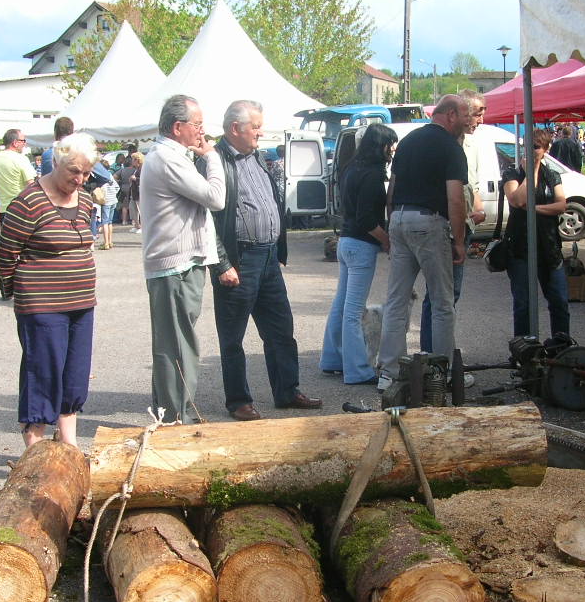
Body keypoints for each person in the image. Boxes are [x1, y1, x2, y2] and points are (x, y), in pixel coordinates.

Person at [203, 99, 321, 420]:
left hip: (267, 257)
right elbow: (206, 219)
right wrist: (222, 264)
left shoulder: (257, 158)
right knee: (233, 337)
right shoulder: (213, 161)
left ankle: (287, 391)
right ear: (234, 129)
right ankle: (238, 401)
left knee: (281, 329)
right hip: (238, 259)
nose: (260, 131)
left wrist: (279, 248)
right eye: (255, 126)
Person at [0, 132, 100, 447]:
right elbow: (4, 256)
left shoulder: (84, 201)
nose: (80, 179)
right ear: (55, 163)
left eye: (85, 173)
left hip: (81, 302)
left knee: (75, 372)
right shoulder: (29, 202)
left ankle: (69, 443)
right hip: (42, 304)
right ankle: (35, 443)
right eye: (74, 172)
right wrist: (29, 288)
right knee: (43, 372)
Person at [139, 94, 225, 424]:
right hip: (174, 266)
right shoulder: (167, 157)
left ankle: (170, 414)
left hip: (180, 263)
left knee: (173, 343)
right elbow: (216, 197)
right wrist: (212, 157)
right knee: (178, 346)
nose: (202, 133)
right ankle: (178, 419)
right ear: (178, 127)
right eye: (198, 125)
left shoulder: (170, 155)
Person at [376, 94, 470, 392]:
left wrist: (392, 225)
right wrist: (459, 241)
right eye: (465, 116)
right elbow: (455, 199)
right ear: (451, 115)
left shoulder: (409, 141)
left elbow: (393, 189)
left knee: (396, 301)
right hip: (429, 222)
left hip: (400, 219)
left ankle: (388, 373)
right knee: (442, 303)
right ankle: (441, 375)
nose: (468, 123)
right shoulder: (450, 148)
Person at [319, 123, 396, 384]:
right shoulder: (373, 175)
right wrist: (388, 242)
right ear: (381, 146)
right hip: (361, 246)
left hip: (345, 242)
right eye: (390, 145)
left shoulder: (350, 168)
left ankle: (331, 359)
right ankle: (357, 371)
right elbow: (367, 219)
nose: (391, 150)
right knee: (353, 312)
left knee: (341, 306)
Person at [420, 89, 486, 369]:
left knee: (451, 294)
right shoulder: (443, 143)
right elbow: (450, 191)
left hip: (465, 223)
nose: (480, 119)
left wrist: (477, 210)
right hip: (443, 225)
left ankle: (439, 350)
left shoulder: (472, 146)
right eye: (476, 113)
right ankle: (432, 357)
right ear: (457, 114)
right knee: (439, 295)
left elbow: (473, 186)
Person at [502, 128, 569, 338]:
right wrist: (530, 172)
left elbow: (561, 206)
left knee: (559, 300)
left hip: (549, 246)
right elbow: (517, 200)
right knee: (524, 303)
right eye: (527, 146)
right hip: (520, 247)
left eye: (536, 147)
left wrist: (534, 210)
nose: (530, 151)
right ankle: (524, 349)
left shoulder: (552, 175)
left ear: (546, 149)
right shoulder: (512, 173)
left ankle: (561, 347)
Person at [0, 128, 34, 219]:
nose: (25, 144)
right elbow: (31, 185)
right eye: (23, 141)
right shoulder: (21, 159)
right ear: (15, 143)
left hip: (5, 209)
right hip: (22, 209)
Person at [127, 152, 143, 232]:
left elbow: (145, 180)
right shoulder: (136, 169)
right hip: (134, 193)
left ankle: (141, 226)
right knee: (133, 209)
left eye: (133, 159)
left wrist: (135, 179)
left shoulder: (142, 168)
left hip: (139, 193)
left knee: (140, 210)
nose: (132, 161)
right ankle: (136, 225)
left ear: (137, 160)